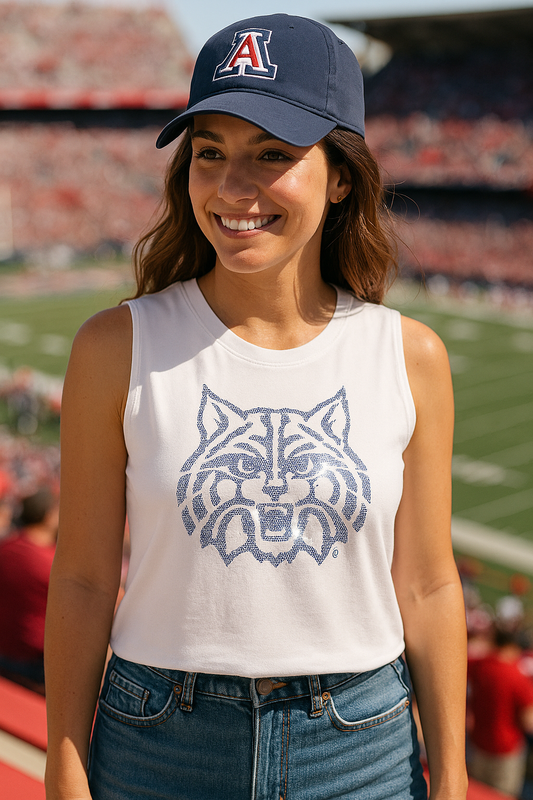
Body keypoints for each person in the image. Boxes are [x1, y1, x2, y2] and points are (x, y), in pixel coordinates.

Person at [44, 14, 467, 800]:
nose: (233, 187)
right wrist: (63, 767)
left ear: (340, 176)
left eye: (272, 154)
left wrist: (450, 774)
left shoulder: (409, 356)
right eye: (210, 153)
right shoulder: (115, 346)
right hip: (158, 741)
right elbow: (83, 580)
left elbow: (428, 584)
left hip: (360, 749)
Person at [0, 487, 58, 693]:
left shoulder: (6, 547)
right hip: (35, 665)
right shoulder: (51, 564)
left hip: (6, 653)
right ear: (49, 516)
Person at [468, 627, 533, 797]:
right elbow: (528, 721)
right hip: (506, 750)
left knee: (477, 793)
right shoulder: (517, 675)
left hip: (478, 743)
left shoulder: (480, 665)